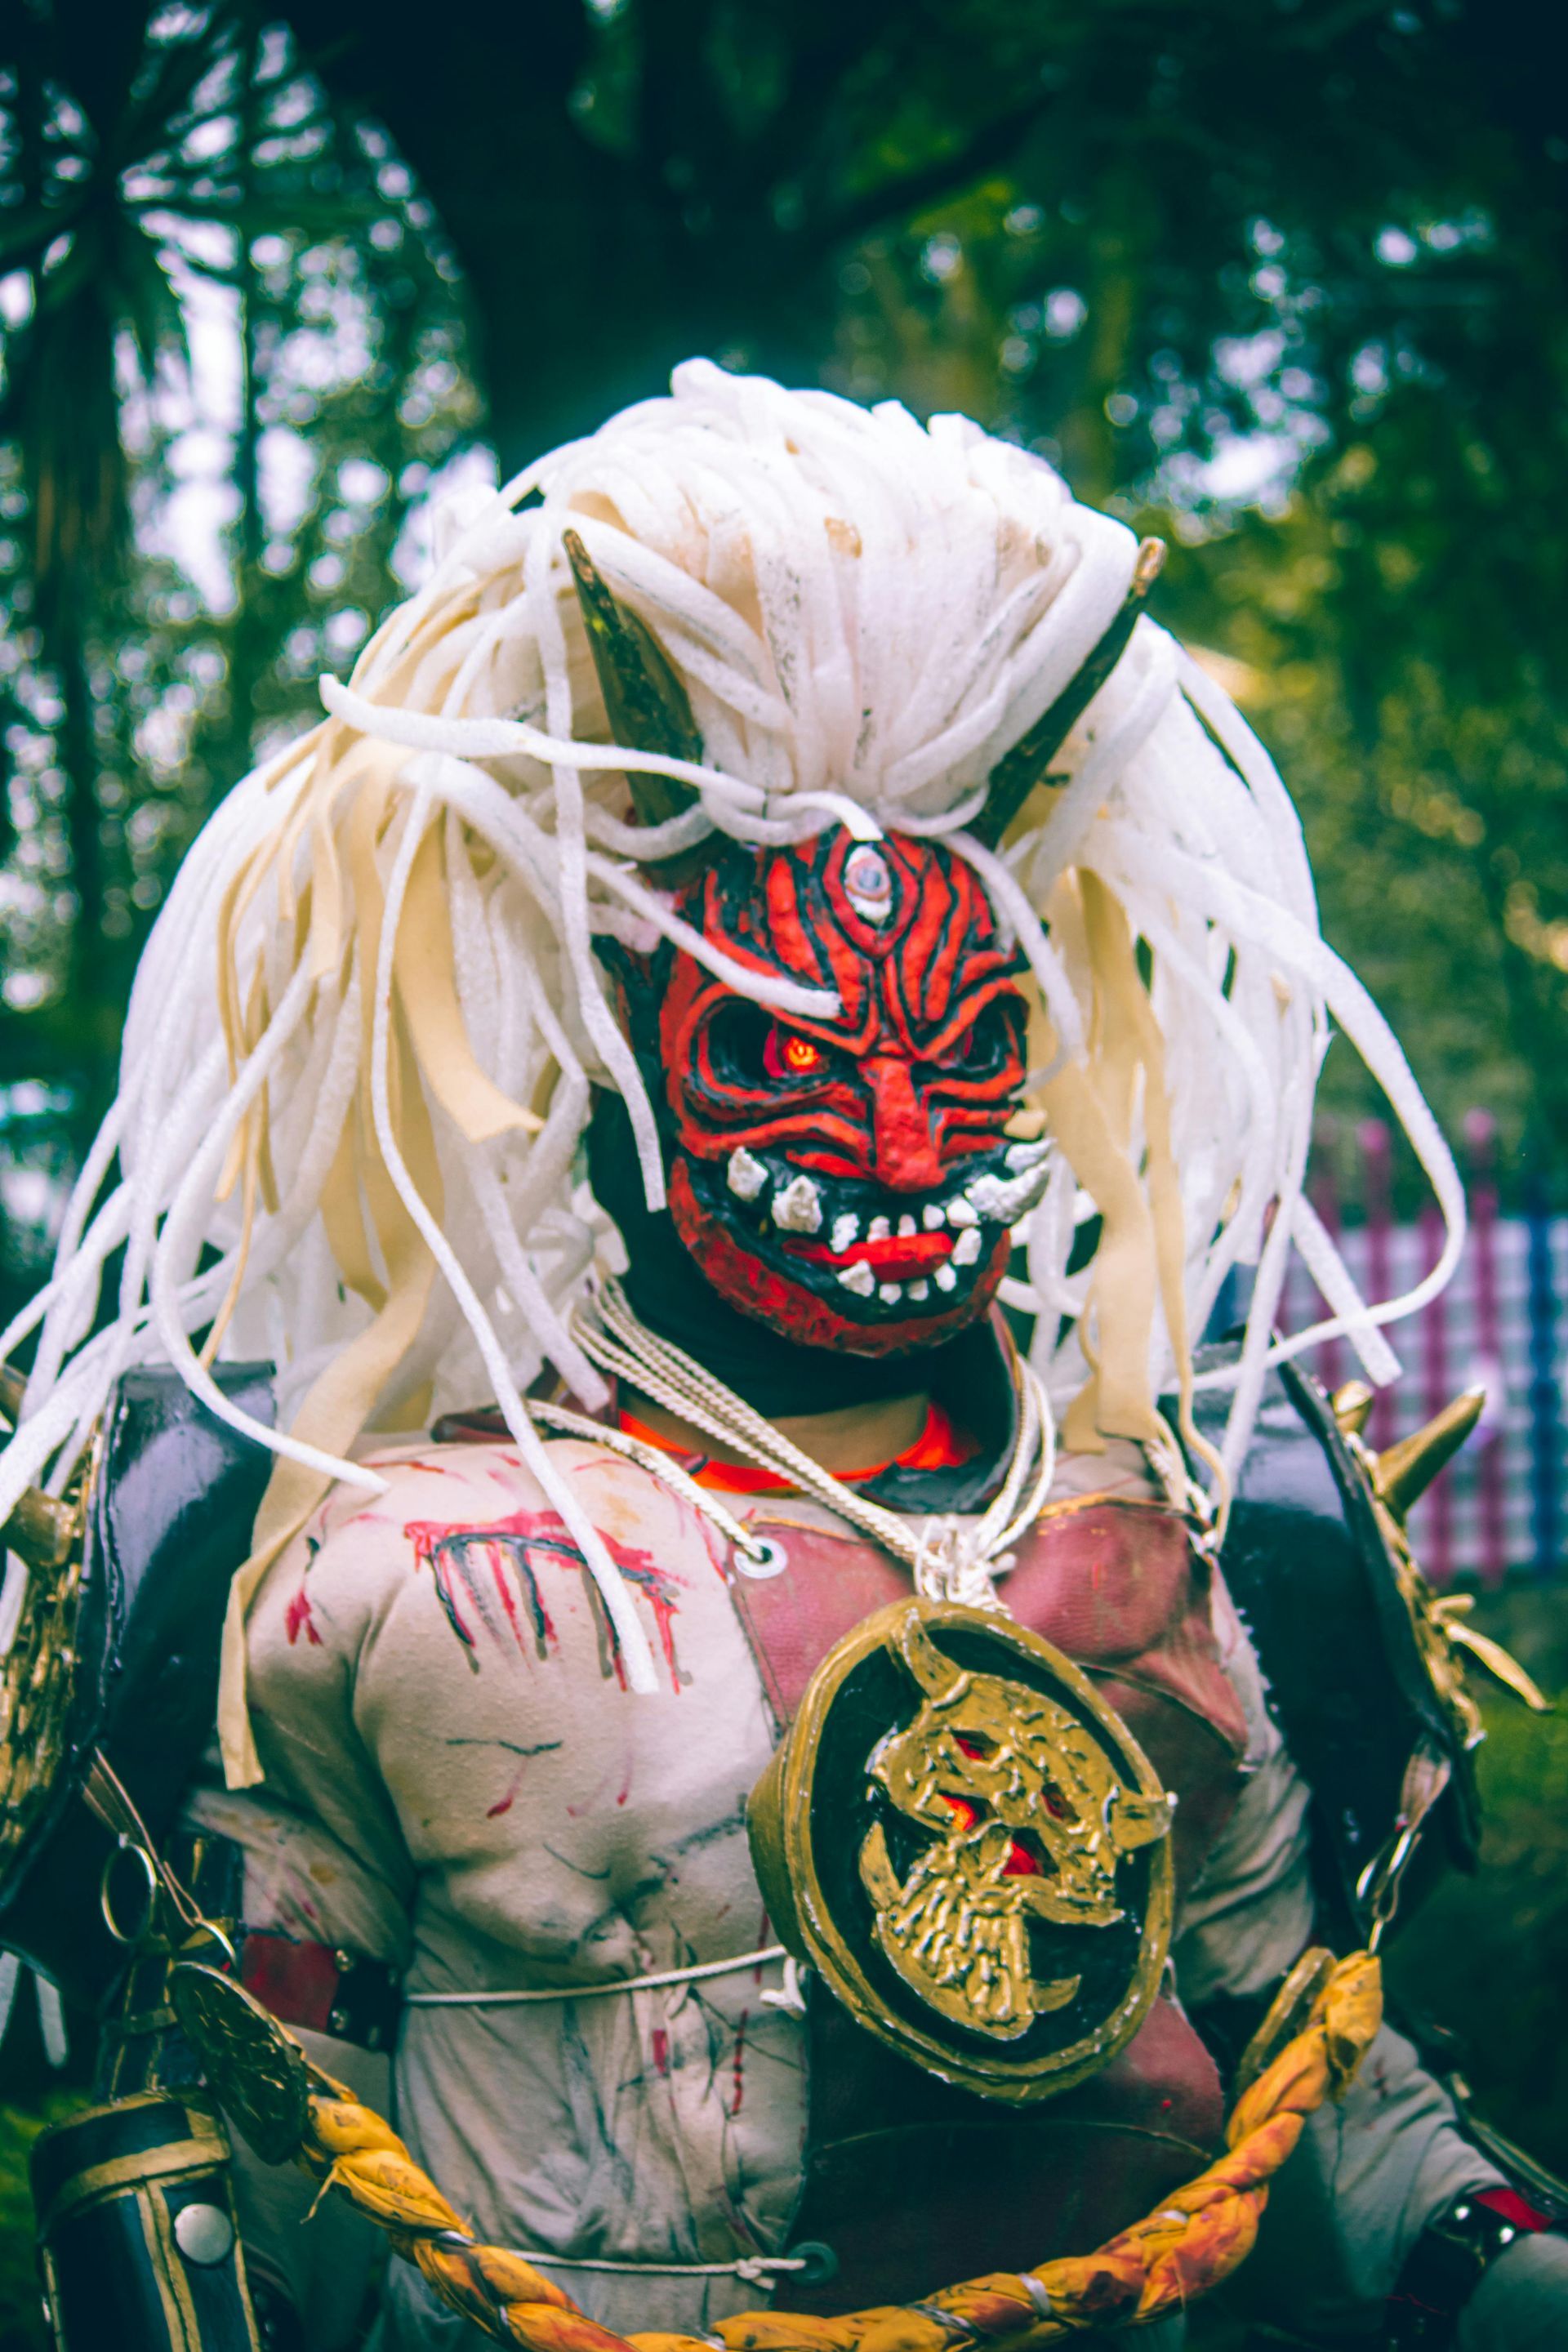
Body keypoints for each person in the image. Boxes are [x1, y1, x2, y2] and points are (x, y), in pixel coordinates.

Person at [2, 363, 1564, 2351]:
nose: (902, 1141)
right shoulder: (379, 1575)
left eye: (964, 1046)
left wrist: (1496, 2262)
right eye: (787, 1054)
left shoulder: (1186, 1546)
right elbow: (245, 2171)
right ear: (614, 1071)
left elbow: (1329, 2104)